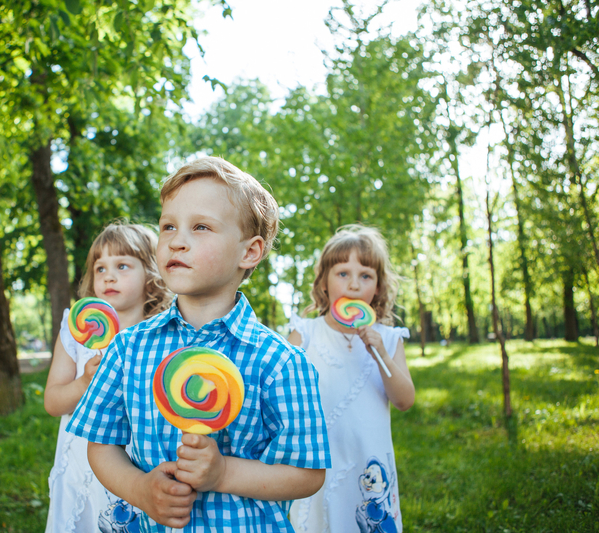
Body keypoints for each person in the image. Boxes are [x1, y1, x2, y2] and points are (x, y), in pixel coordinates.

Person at [66, 156, 331, 532]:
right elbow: (101, 444)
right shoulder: (128, 349)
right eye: (168, 226)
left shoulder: (281, 361)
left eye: (201, 226)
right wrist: (140, 489)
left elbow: (307, 473)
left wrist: (223, 473)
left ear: (249, 252)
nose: (176, 241)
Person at [287, 224, 415, 533]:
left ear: (378, 287)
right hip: (317, 462)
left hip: (367, 464)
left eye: (366, 276)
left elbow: (405, 400)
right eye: (343, 273)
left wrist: (380, 354)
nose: (354, 284)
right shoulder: (305, 333)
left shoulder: (389, 338)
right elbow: (284, 396)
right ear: (324, 282)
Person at [44, 222, 171, 533]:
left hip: (135, 464)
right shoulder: (76, 334)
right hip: (79, 463)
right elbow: (52, 402)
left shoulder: (161, 337)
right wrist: (84, 382)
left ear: (151, 275)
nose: (108, 276)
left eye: (122, 266)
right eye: (100, 268)